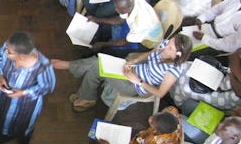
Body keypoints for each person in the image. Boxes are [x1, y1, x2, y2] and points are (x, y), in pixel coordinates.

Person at [51, 35, 192, 112]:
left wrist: (138, 81)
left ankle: (74, 73)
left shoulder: (173, 70)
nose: (166, 46)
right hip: (134, 70)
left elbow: (160, 93)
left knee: (96, 66)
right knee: (98, 63)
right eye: (169, 43)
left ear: (177, 55)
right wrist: (135, 61)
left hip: (136, 86)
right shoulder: (165, 45)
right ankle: (86, 95)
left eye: (170, 48)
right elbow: (149, 54)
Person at [0, 32, 56, 144]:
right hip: (3, 98)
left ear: (21, 56)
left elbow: (47, 86)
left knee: (21, 128)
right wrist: (0, 75)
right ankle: (1, 136)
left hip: (24, 107)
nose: (5, 51)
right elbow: (0, 58)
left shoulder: (43, 67)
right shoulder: (8, 48)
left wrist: (23, 93)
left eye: (9, 52)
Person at [85, 0, 163, 56]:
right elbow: (120, 20)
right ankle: (99, 44)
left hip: (147, 41)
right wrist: (96, 19)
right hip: (140, 29)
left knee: (113, 51)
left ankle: (100, 52)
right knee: (106, 27)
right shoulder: (134, 0)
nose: (116, 10)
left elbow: (125, 41)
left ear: (128, 8)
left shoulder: (140, 24)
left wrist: (103, 44)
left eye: (118, 9)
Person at [171, 50, 241, 112]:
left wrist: (234, 78)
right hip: (223, 77)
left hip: (226, 99)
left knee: (185, 89)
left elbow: (238, 92)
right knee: (186, 69)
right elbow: (234, 55)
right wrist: (236, 77)